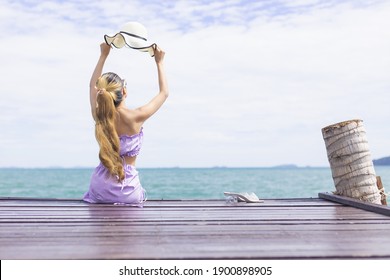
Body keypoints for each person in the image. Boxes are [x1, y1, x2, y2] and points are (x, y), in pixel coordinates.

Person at [83, 42, 168, 206]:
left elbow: (91, 86)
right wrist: (159, 62)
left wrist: (103, 55)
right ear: (124, 92)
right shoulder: (136, 116)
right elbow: (164, 93)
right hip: (126, 190)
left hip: (99, 189)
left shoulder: (99, 115)